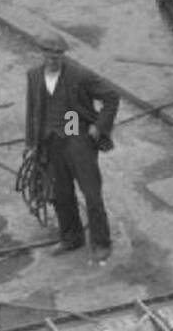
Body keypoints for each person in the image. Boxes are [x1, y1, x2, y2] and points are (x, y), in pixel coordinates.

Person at [24, 33, 120, 264]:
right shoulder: (34, 76)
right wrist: (31, 144)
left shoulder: (79, 75)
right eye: (48, 55)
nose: (53, 60)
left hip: (77, 141)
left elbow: (111, 96)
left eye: (57, 56)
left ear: (63, 56)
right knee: (60, 195)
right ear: (42, 54)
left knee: (91, 195)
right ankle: (71, 237)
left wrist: (99, 127)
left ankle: (101, 243)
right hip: (50, 143)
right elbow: (32, 110)